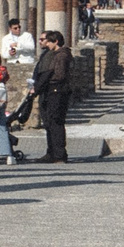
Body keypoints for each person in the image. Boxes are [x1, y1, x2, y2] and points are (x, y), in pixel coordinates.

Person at [32, 31, 72, 163]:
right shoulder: (52, 55)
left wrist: (47, 79)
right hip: (50, 91)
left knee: (56, 122)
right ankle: (51, 152)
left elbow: (59, 75)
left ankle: (60, 154)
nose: (46, 44)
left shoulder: (62, 55)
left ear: (55, 42)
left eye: (49, 41)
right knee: (49, 122)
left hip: (57, 91)